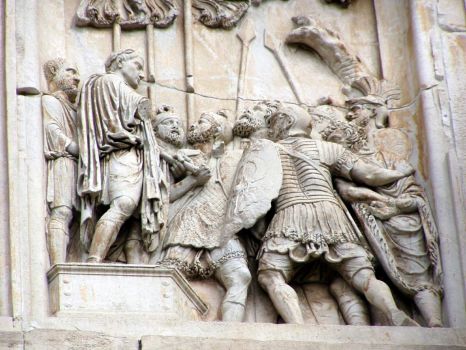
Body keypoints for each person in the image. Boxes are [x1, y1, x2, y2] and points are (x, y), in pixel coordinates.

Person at [227, 104, 418, 326]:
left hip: (291, 214)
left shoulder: (267, 150)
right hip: (332, 216)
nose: (271, 128)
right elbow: (369, 174)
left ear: (286, 122)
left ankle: (297, 327)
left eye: (274, 122)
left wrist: (256, 230)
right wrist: (399, 172)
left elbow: (251, 194)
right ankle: (393, 313)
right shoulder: (327, 148)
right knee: (363, 276)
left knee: (271, 275)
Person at [77, 49, 167, 263]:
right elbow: (143, 109)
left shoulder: (100, 85)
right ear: (119, 63)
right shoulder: (112, 82)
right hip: (122, 154)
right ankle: (94, 258)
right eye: (137, 65)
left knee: (126, 210)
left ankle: (102, 256)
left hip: (114, 155)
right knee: (124, 204)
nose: (142, 74)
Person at [162, 111, 251, 322]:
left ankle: (231, 338)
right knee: (167, 277)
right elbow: (165, 196)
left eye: (202, 122)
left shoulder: (234, 157)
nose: (193, 125)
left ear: (217, 130)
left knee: (240, 276)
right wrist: (192, 180)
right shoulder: (182, 156)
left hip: (222, 227)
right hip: (189, 222)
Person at [42, 58, 81, 265]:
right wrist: (71, 146)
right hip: (64, 161)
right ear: (55, 73)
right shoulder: (51, 101)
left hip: (81, 165)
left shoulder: (75, 109)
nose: (76, 78)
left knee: (81, 217)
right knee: (62, 212)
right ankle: (59, 264)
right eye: (70, 72)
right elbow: (52, 129)